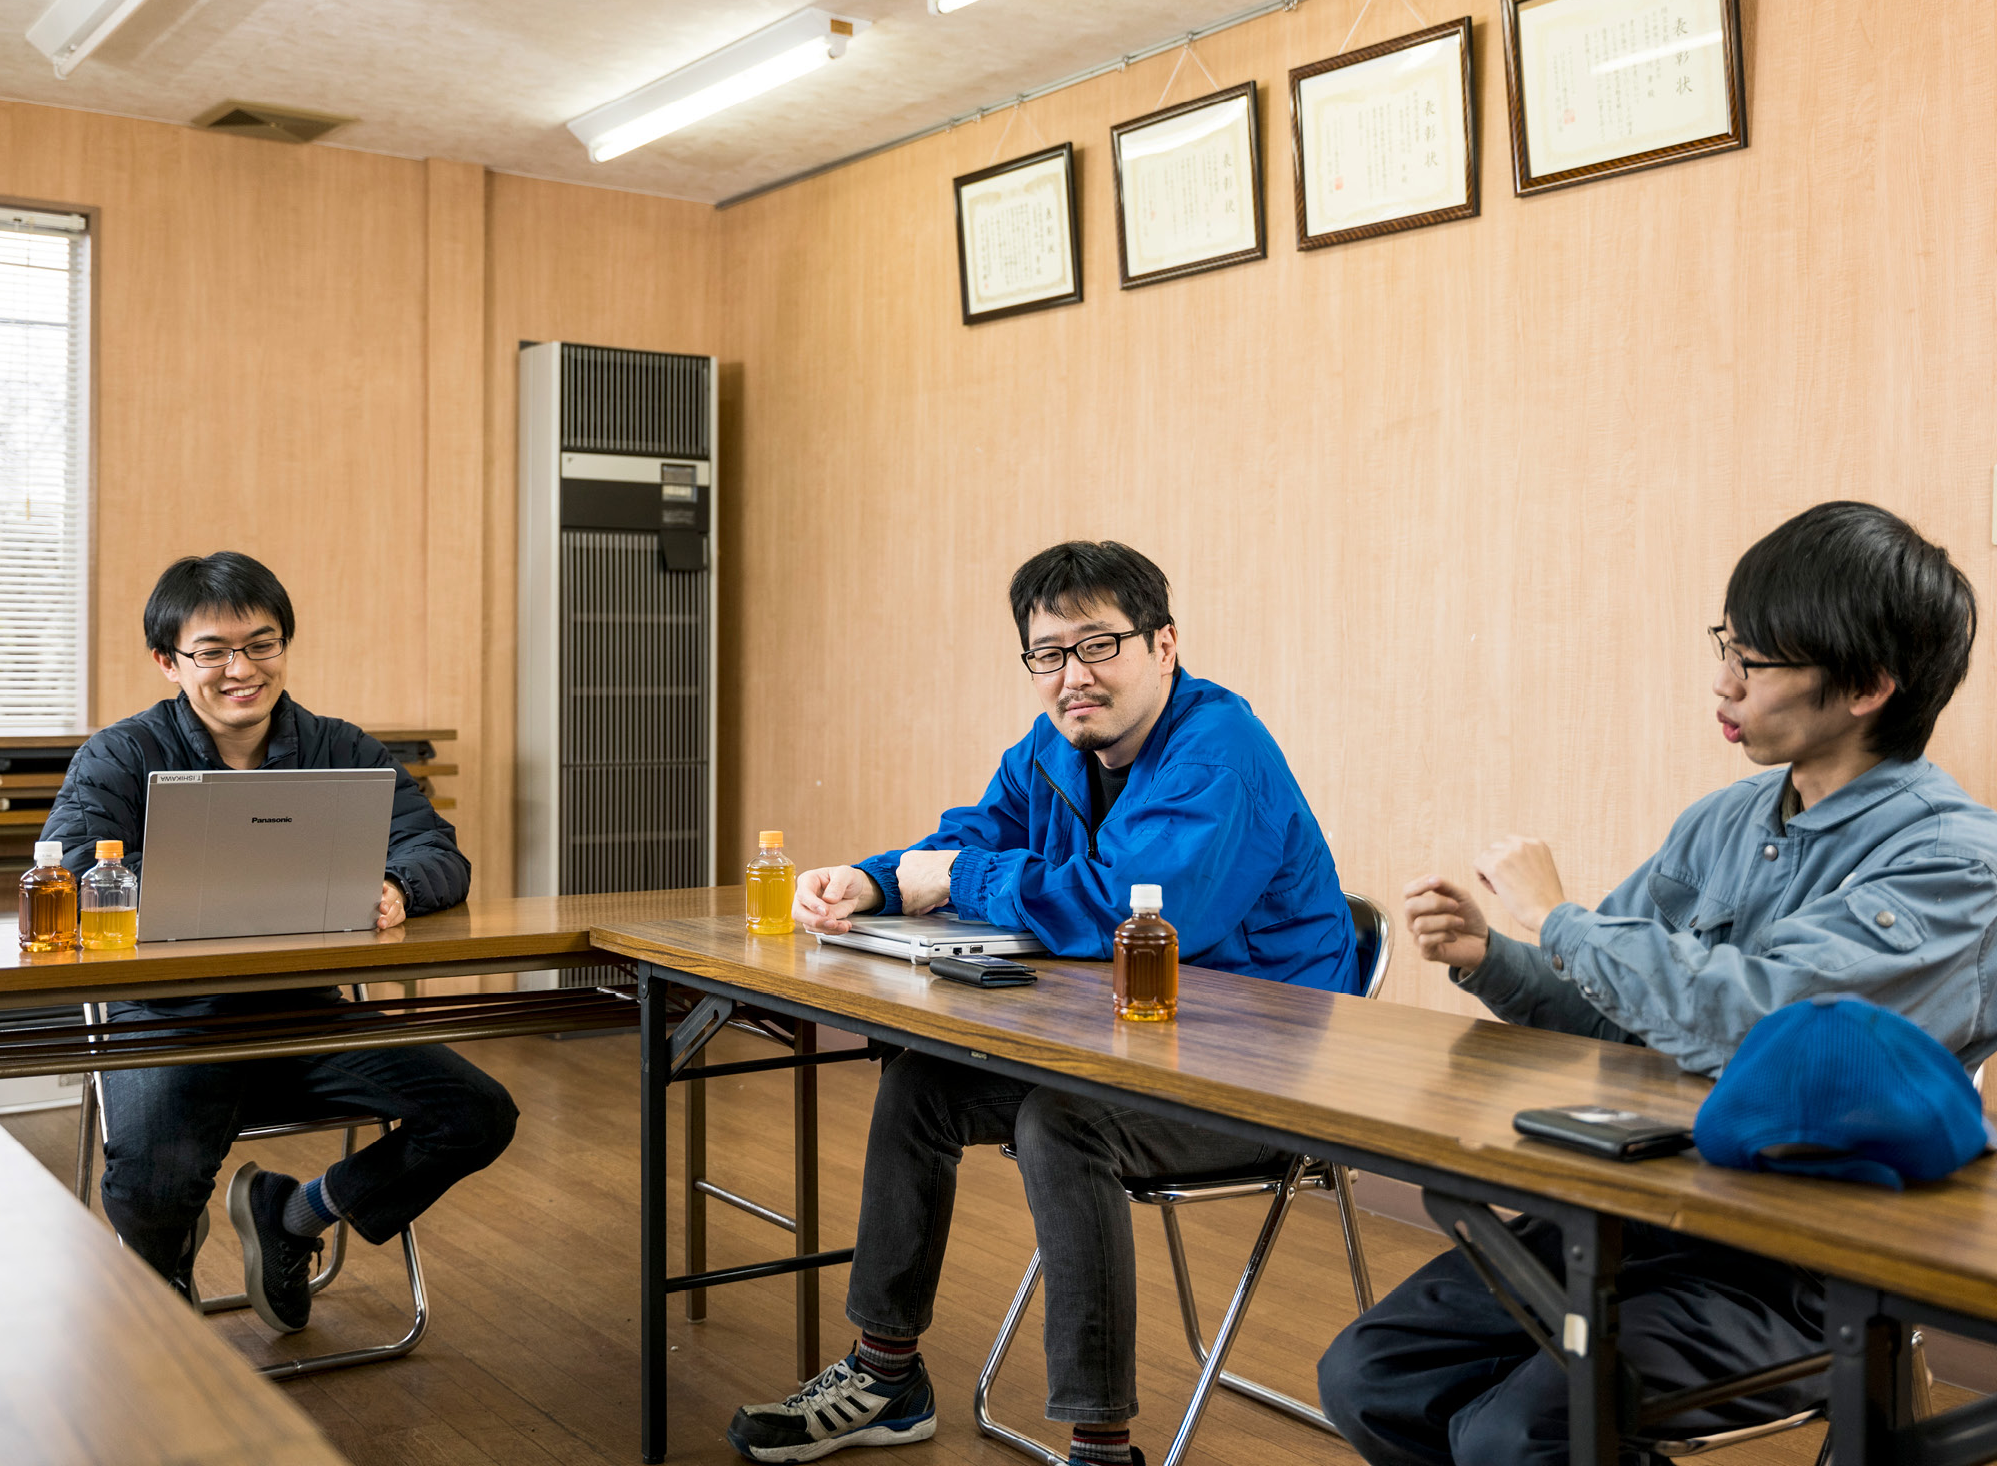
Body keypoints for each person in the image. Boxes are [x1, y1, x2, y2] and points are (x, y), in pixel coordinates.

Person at [1317, 501, 1997, 1466]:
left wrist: (1561, 920)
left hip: (1809, 1264)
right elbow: (1621, 1017)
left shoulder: (1959, 865)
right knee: (1372, 1377)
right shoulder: (1724, 821)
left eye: (1755, 663)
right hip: (1643, 1209)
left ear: (1869, 686)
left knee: (1519, 1436)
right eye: (1728, 645)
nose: (1723, 682)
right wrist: (1493, 958)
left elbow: (1766, 1031)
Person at [727, 540, 1359, 1465]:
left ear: (1165, 644)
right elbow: (974, 838)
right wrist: (876, 880)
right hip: (1134, 1048)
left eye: (1099, 645)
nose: (1074, 676)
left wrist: (951, 877)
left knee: (1065, 1125)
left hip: (1264, 1073)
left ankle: (1104, 1448)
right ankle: (886, 1377)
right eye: (1049, 653)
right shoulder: (1056, 745)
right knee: (922, 1084)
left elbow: (1132, 907)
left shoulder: (1221, 753)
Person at [43, 552, 517, 1332]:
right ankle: (161, 1314)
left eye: (262, 645)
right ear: (168, 662)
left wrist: (398, 887)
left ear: (284, 648)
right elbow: (70, 864)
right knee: (153, 1185)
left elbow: (441, 854)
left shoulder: (343, 749)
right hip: (170, 1022)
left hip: (307, 1017)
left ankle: (293, 1217)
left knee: (476, 1113)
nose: (242, 669)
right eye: (213, 652)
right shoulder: (120, 755)